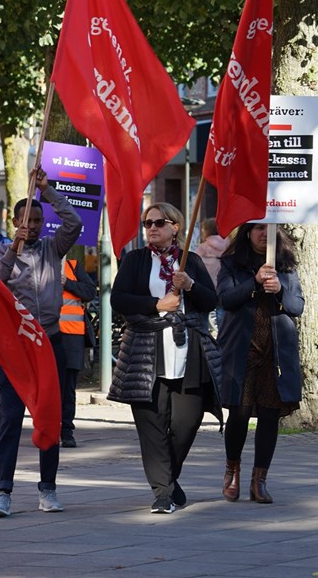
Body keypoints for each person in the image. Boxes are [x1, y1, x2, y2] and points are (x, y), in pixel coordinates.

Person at [108, 203, 222, 514]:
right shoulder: (135, 260)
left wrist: (191, 286)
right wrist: (158, 303)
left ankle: (168, 481)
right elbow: (118, 298)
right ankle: (162, 493)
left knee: (186, 423)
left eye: (159, 222)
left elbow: (211, 301)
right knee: (152, 426)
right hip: (146, 351)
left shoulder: (192, 261)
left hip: (188, 352)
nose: (152, 228)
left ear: (176, 226)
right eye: (147, 223)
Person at [0, 166, 81, 517]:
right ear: (14, 221)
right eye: (29, 219)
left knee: (49, 418)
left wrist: (48, 190)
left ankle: (48, 489)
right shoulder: (1, 252)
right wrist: (15, 247)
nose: (35, 224)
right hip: (19, 347)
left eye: (39, 219)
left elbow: (74, 224)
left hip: (51, 342)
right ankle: (3, 492)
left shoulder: (53, 249)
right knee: (11, 418)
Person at [216, 223, 304, 504]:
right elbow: (226, 300)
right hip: (243, 349)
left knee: (269, 415)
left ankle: (260, 479)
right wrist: (253, 282)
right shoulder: (231, 264)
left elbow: (297, 306)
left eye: (268, 228)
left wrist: (279, 290)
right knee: (239, 414)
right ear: (246, 233)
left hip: (275, 353)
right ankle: (232, 470)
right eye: (256, 228)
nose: (263, 233)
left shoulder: (286, 266)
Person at [59, 256, 96, 448]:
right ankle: (46, 428)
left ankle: (66, 431)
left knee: (68, 388)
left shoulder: (73, 265)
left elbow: (90, 292)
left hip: (71, 335)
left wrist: (68, 283)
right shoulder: (38, 265)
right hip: (46, 334)